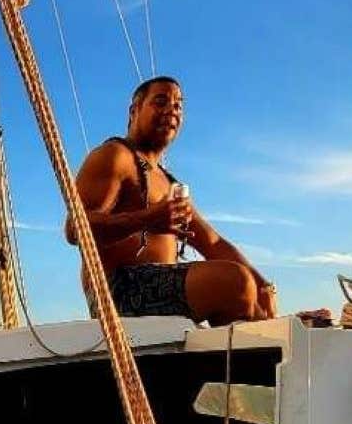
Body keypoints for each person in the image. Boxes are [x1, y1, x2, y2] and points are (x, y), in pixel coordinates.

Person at [66, 76, 277, 325]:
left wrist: (263, 286)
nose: (172, 110)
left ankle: (268, 339)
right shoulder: (115, 156)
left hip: (166, 293)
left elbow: (212, 242)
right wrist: (146, 219)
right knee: (234, 282)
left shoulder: (168, 182)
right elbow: (74, 229)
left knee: (250, 290)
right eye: (161, 101)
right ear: (134, 110)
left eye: (178, 105)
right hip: (117, 292)